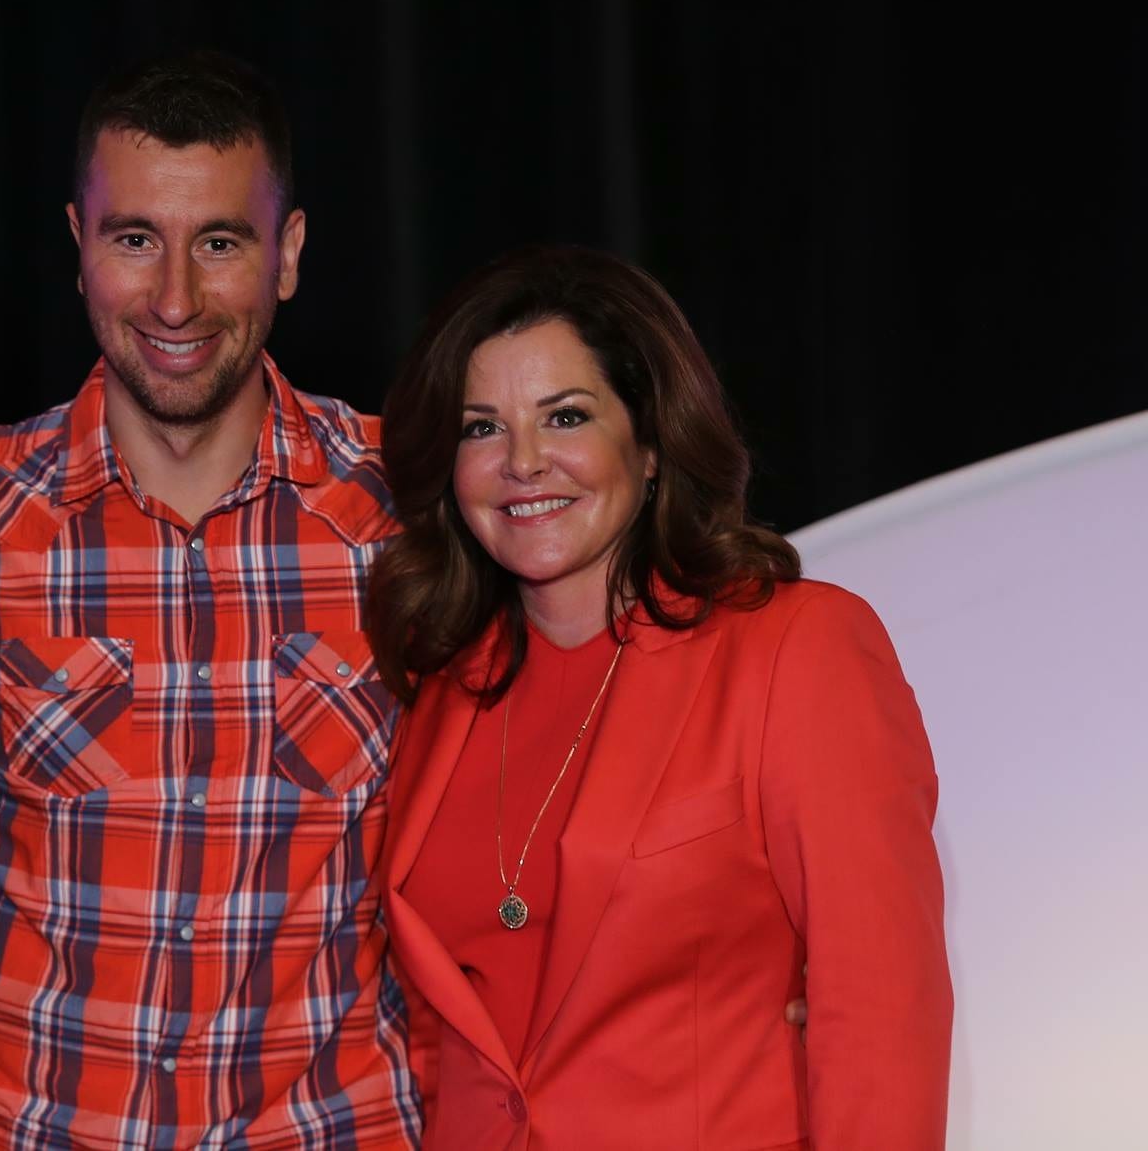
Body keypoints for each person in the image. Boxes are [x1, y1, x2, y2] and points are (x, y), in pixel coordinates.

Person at [0, 51, 420, 1147]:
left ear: (285, 255)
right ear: (78, 249)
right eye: (135, 239)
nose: (175, 299)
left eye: (220, 243)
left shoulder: (410, 514)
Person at [369, 246, 952, 1148]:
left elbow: (881, 1006)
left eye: (566, 415)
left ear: (647, 445)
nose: (523, 461)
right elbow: (445, 1045)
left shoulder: (794, 648)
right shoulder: (441, 692)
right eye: (482, 427)